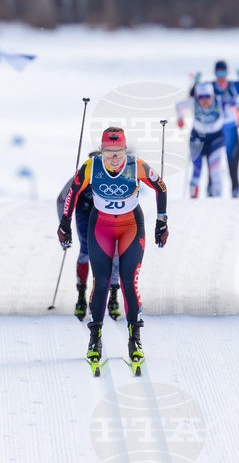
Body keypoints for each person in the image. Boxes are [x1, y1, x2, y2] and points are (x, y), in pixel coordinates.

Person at [57, 127, 168, 370]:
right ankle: (94, 340)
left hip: (131, 226)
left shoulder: (136, 166)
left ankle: (135, 340)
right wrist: (65, 223)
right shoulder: (91, 166)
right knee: (101, 282)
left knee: (129, 282)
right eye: (109, 152)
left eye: (118, 152)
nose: (114, 158)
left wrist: (162, 222)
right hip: (101, 226)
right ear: (102, 151)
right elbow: (72, 193)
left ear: (125, 150)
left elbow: (160, 187)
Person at [55, 151, 122, 322]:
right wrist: (64, 227)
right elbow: (61, 200)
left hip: (107, 214)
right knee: (87, 249)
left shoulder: (117, 175)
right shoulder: (81, 175)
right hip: (85, 212)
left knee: (113, 251)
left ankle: (113, 297)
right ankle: (81, 298)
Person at [193, 61, 239, 197]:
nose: (221, 76)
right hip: (215, 130)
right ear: (215, 73)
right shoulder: (210, 86)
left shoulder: (234, 85)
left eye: (223, 72)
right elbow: (194, 96)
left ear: (227, 73)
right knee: (213, 163)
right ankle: (211, 191)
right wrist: (195, 84)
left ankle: (235, 192)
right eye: (218, 72)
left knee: (233, 161)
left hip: (231, 128)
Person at [176, 82, 225, 198]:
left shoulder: (220, 101)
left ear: (212, 95)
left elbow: (236, 104)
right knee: (197, 169)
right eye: (201, 97)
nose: (204, 101)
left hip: (216, 139)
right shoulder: (193, 103)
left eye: (207, 96)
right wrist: (180, 119)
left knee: (215, 170)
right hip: (197, 138)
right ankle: (193, 197)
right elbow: (179, 106)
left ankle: (217, 198)